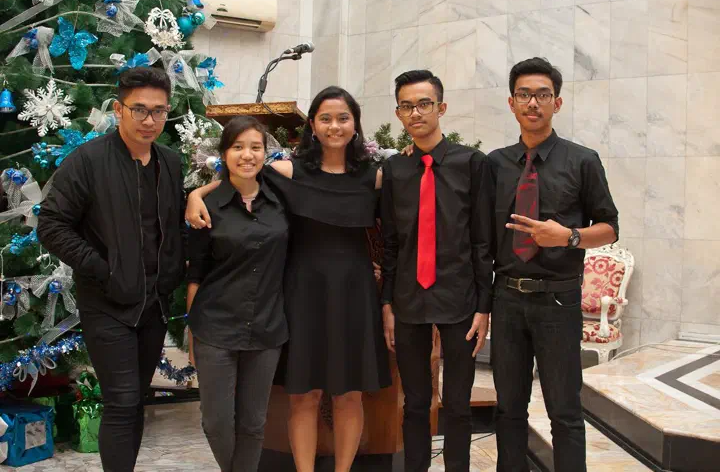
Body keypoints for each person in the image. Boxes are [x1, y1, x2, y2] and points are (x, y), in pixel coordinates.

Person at [185, 86, 391, 472]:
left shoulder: (374, 178)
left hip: (354, 294)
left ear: (355, 124)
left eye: (343, 118)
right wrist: (197, 194)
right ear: (312, 124)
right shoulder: (287, 172)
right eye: (325, 118)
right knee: (304, 395)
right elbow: (240, 176)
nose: (334, 126)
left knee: (350, 395)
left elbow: (397, 230)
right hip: (301, 293)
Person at [37, 67, 186, 472]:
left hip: (154, 303)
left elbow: (172, 225)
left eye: (159, 111)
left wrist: (172, 274)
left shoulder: (171, 162)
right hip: (107, 304)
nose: (149, 120)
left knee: (136, 402)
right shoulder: (88, 160)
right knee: (121, 401)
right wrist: (102, 269)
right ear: (119, 110)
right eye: (139, 109)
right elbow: (51, 225)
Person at [489, 57, 619, 472]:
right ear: (511, 102)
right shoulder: (494, 164)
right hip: (506, 299)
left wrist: (569, 236)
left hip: (558, 301)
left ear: (557, 103)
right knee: (508, 408)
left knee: (564, 410)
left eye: (542, 95)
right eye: (524, 94)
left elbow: (610, 228)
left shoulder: (582, 160)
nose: (533, 103)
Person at [381, 69, 494, 472]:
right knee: (414, 403)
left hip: (460, 297)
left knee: (458, 404)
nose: (416, 113)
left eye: (424, 104)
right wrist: (387, 304)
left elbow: (483, 240)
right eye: (406, 106)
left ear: (441, 108)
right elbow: (390, 243)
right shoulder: (395, 170)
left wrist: (484, 305)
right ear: (399, 113)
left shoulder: (472, 164)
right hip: (408, 299)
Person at [186, 116, 289, 472]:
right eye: (238, 147)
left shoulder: (281, 199)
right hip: (215, 326)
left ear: (265, 153)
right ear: (224, 153)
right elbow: (195, 274)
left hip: (267, 327)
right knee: (216, 421)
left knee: (253, 422)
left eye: (255, 147)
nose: (247, 155)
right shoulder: (207, 206)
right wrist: (191, 331)